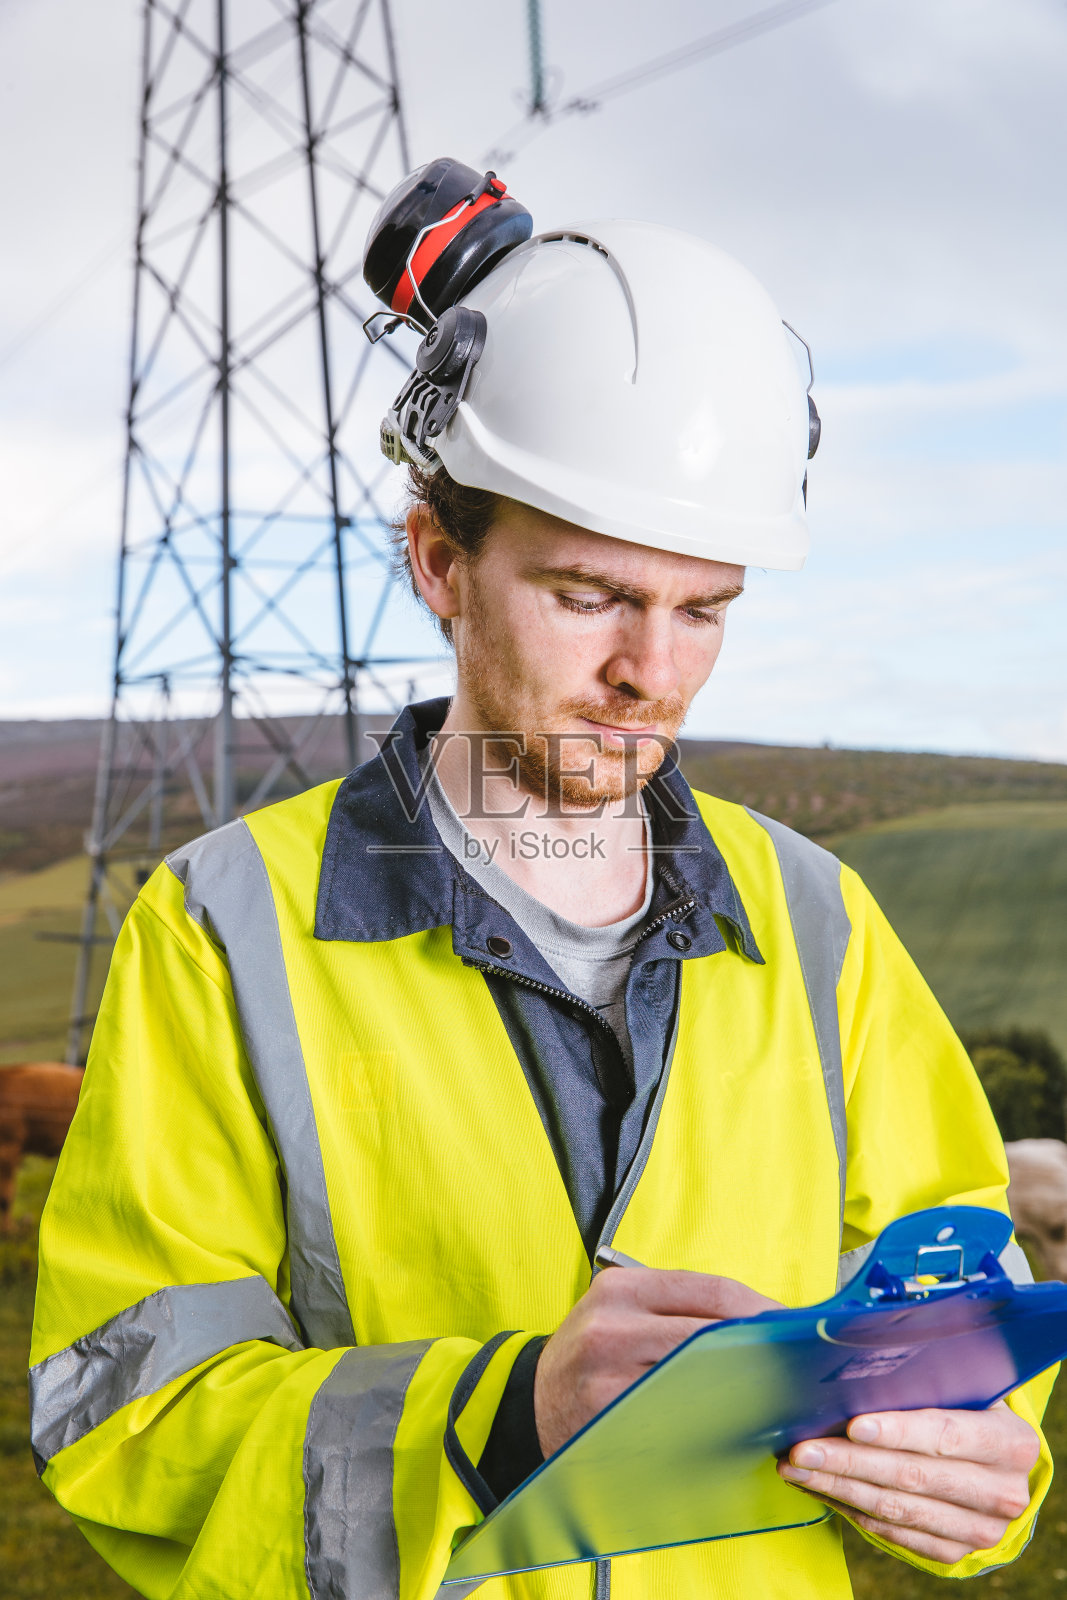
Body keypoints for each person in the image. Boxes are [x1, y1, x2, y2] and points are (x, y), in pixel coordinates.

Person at [31, 169, 1054, 1600]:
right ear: (440, 562)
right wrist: (500, 1419)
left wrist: (980, 1461)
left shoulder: (820, 921)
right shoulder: (223, 928)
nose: (654, 674)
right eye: (590, 597)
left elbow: (958, 1308)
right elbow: (125, 1414)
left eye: (706, 609)